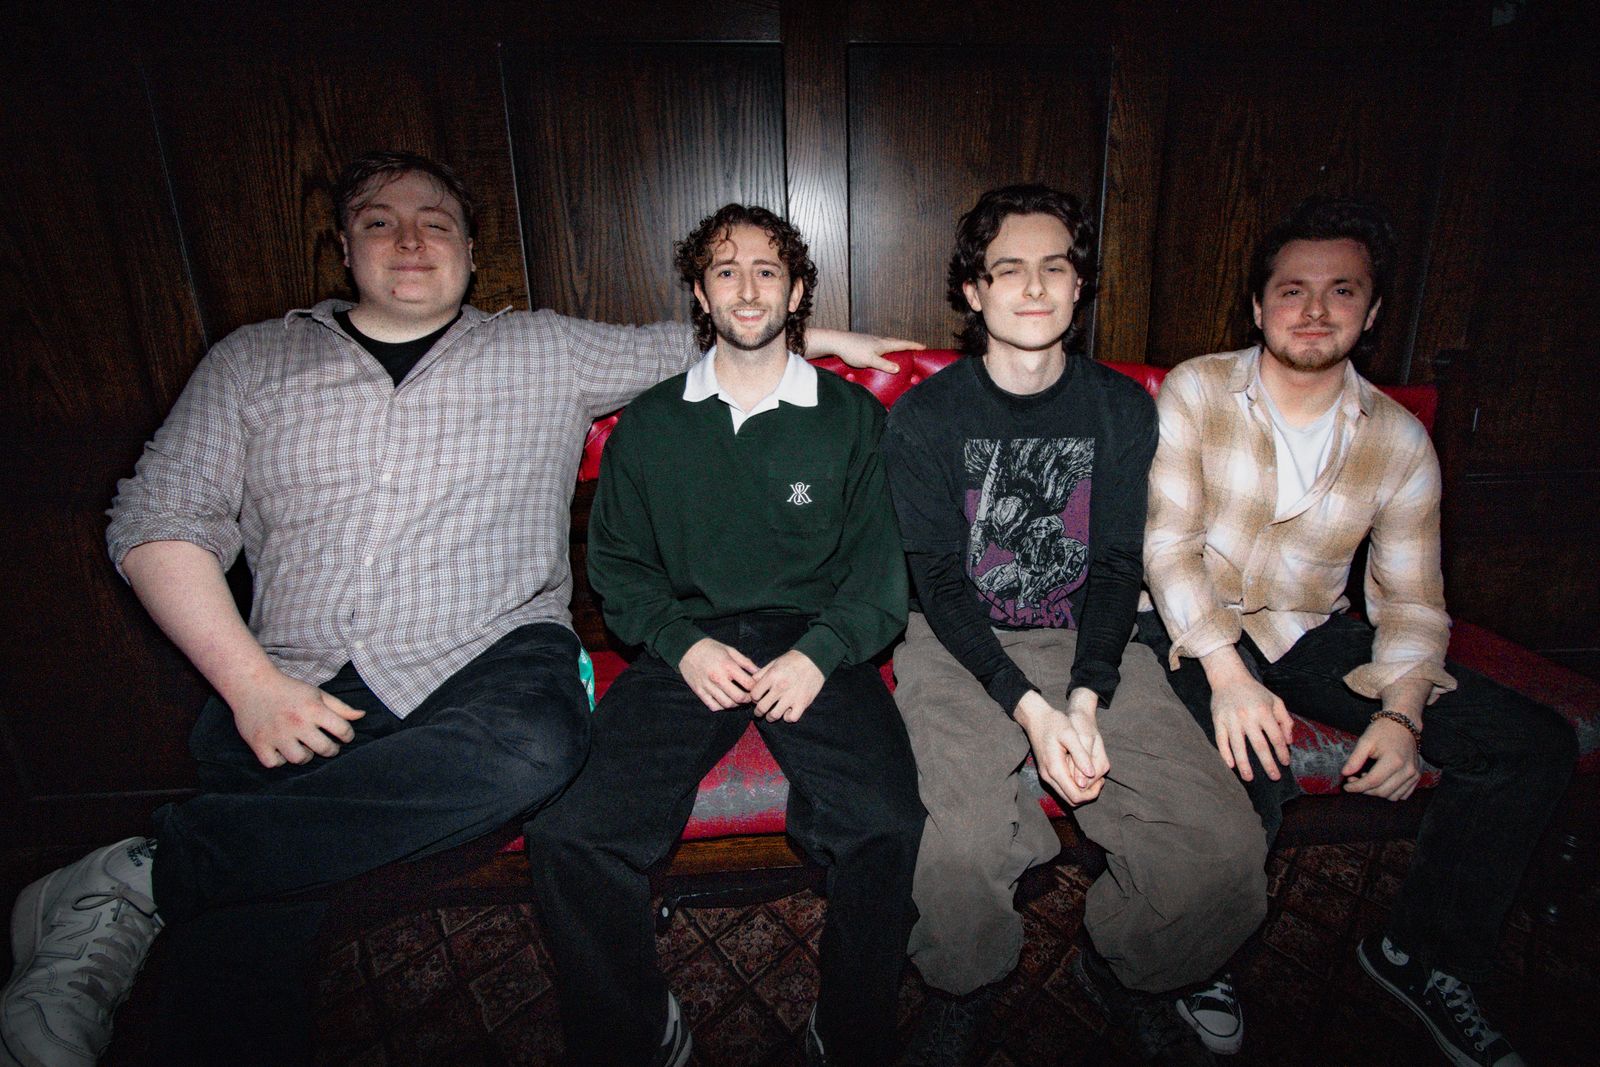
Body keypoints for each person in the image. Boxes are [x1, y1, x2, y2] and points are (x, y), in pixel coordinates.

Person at [0, 152, 908, 1067]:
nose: (408, 240)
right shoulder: (250, 361)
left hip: (490, 668)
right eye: (379, 221)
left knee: (543, 748)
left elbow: (740, 341)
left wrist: (830, 340)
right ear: (342, 246)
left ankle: (150, 869)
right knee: (232, 998)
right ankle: (145, 903)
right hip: (290, 678)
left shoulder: (545, 348)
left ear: (472, 252)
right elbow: (155, 517)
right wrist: (251, 686)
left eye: (434, 222)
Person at [1141, 194, 1578, 1067]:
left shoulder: (1400, 438)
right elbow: (1168, 548)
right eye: (1292, 290)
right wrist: (1230, 678)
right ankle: (1205, 959)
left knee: (1531, 742)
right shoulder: (1197, 389)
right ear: (1258, 305)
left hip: (1309, 629)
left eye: (1341, 290)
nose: (1314, 309)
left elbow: (1411, 600)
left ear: (1372, 312)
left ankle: (1422, 954)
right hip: (1189, 628)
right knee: (1249, 771)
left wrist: (1402, 711)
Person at [525, 203, 923, 1067]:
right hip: (689, 639)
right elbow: (619, 567)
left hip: (815, 638)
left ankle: (849, 1033)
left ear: (797, 291)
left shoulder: (851, 417)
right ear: (701, 296)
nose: (748, 288)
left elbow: (878, 573)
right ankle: (639, 1030)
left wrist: (820, 653)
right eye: (726, 271)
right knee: (570, 833)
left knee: (886, 823)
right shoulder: (652, 422)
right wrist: (680, 643)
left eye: (768, 270)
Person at [881, 184, 1266, 1067]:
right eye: (1008, 269)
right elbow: (938, 581)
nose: (1033, 287)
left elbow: (1119, 566)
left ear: (1079, 285)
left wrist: (1086, 696)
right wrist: (1029, 709)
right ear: (973, 291)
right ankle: (964, 986)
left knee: (1223, 845)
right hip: (957, 645)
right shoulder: (925, 418)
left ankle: (1128, 966)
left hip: (1088, 641)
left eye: (1054, 268)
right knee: (954, 849)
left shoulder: (1120, 408)